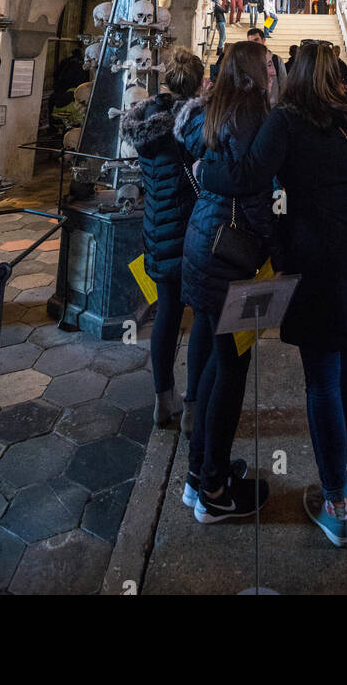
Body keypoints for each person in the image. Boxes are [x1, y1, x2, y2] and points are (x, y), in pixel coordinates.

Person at [195, 42, 347, 548]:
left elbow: (248, 178)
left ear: (296, 76)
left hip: (320, 260)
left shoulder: (286, 120)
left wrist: (203, 170)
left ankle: (334, 505)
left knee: (323, 377)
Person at [174, 41, 275, 521]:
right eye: (270, 65)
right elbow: (245, 181)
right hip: (231, 255)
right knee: (232, 369)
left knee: (217, 362)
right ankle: (214, 492)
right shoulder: (252, 117)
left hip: (204, 243)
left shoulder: (215, 112)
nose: (274, 71)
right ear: (256, 72)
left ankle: (200, 475)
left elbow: (213, 171)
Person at [120, 49, 213, 433]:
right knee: (204, 317)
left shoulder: (143, 120)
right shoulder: (193, 121)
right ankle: (193, 407)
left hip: (157, 228)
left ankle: (162, 400)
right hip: (192, 230)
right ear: (197, 82)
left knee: (167, 316)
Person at [247, 25, 287, 106]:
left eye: (256, 40)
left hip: (273, 108)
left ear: (264, 40)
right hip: (254, 109)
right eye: (250, 42)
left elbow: (284, 84)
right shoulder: (247, 62)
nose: (254, 44)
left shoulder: (276, 60)